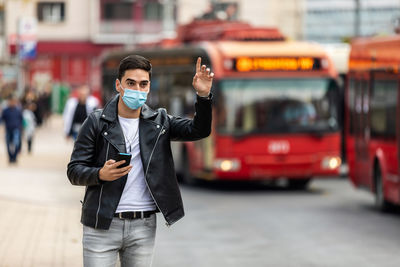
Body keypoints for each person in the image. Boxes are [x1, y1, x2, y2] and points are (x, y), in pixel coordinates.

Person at [67, 55, 213, 267]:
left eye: (143, 84)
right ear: (119, 85)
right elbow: (74, 170)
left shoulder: (160, 121)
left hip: (143, 226)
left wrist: (203, 95)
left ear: (149, 87)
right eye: (131, 83)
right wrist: (99, 174)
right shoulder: (97, 122)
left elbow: (199, 130)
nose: (137, 88)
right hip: (101, 224)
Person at [0, 95, 23, 164]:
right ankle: (10, 157)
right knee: (8, 144)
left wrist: (21, 129)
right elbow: (1, 119)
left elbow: (21, 120)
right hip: (8, 129)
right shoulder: (6, 111)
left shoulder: (18, 110)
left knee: (16, 143)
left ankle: (14, 157)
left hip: (16, 129)